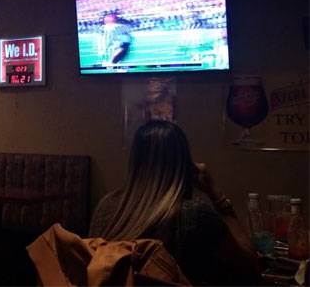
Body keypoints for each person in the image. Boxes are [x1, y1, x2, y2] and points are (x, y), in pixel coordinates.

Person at [89, 120, 259, 285]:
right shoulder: (195, 214)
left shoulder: (107, 207)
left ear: (134, 161)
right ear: (185, 164)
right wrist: (216, 193)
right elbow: (250, 266)